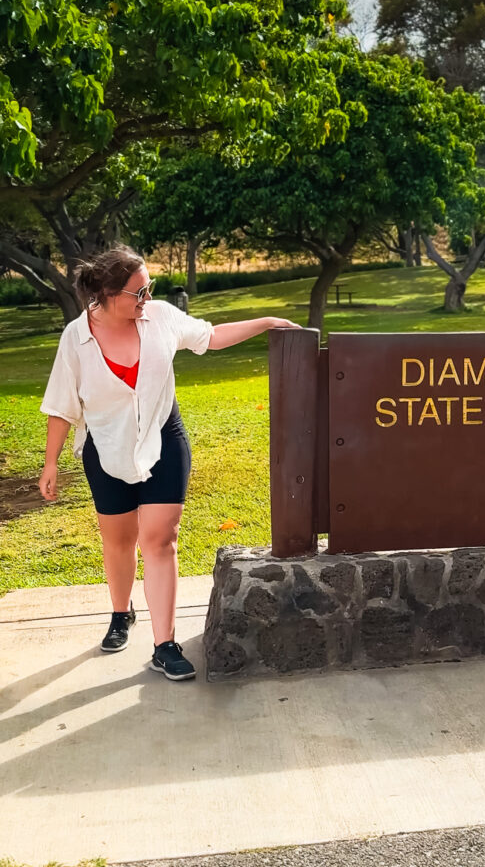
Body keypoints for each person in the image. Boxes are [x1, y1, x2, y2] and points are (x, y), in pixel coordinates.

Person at [38, 245, 299, 682]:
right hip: (106, 448)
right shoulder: (76, 338)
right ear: (105, 294)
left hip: (163, 439)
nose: (146, 300)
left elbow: (210, 336)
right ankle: (121, 613)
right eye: (137, 293)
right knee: (119, 540)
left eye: (148, 289)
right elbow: (62, 406)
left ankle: (165, 645)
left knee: (160, 539)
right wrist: (50, 464)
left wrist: (267, 322)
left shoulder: (159, 316)